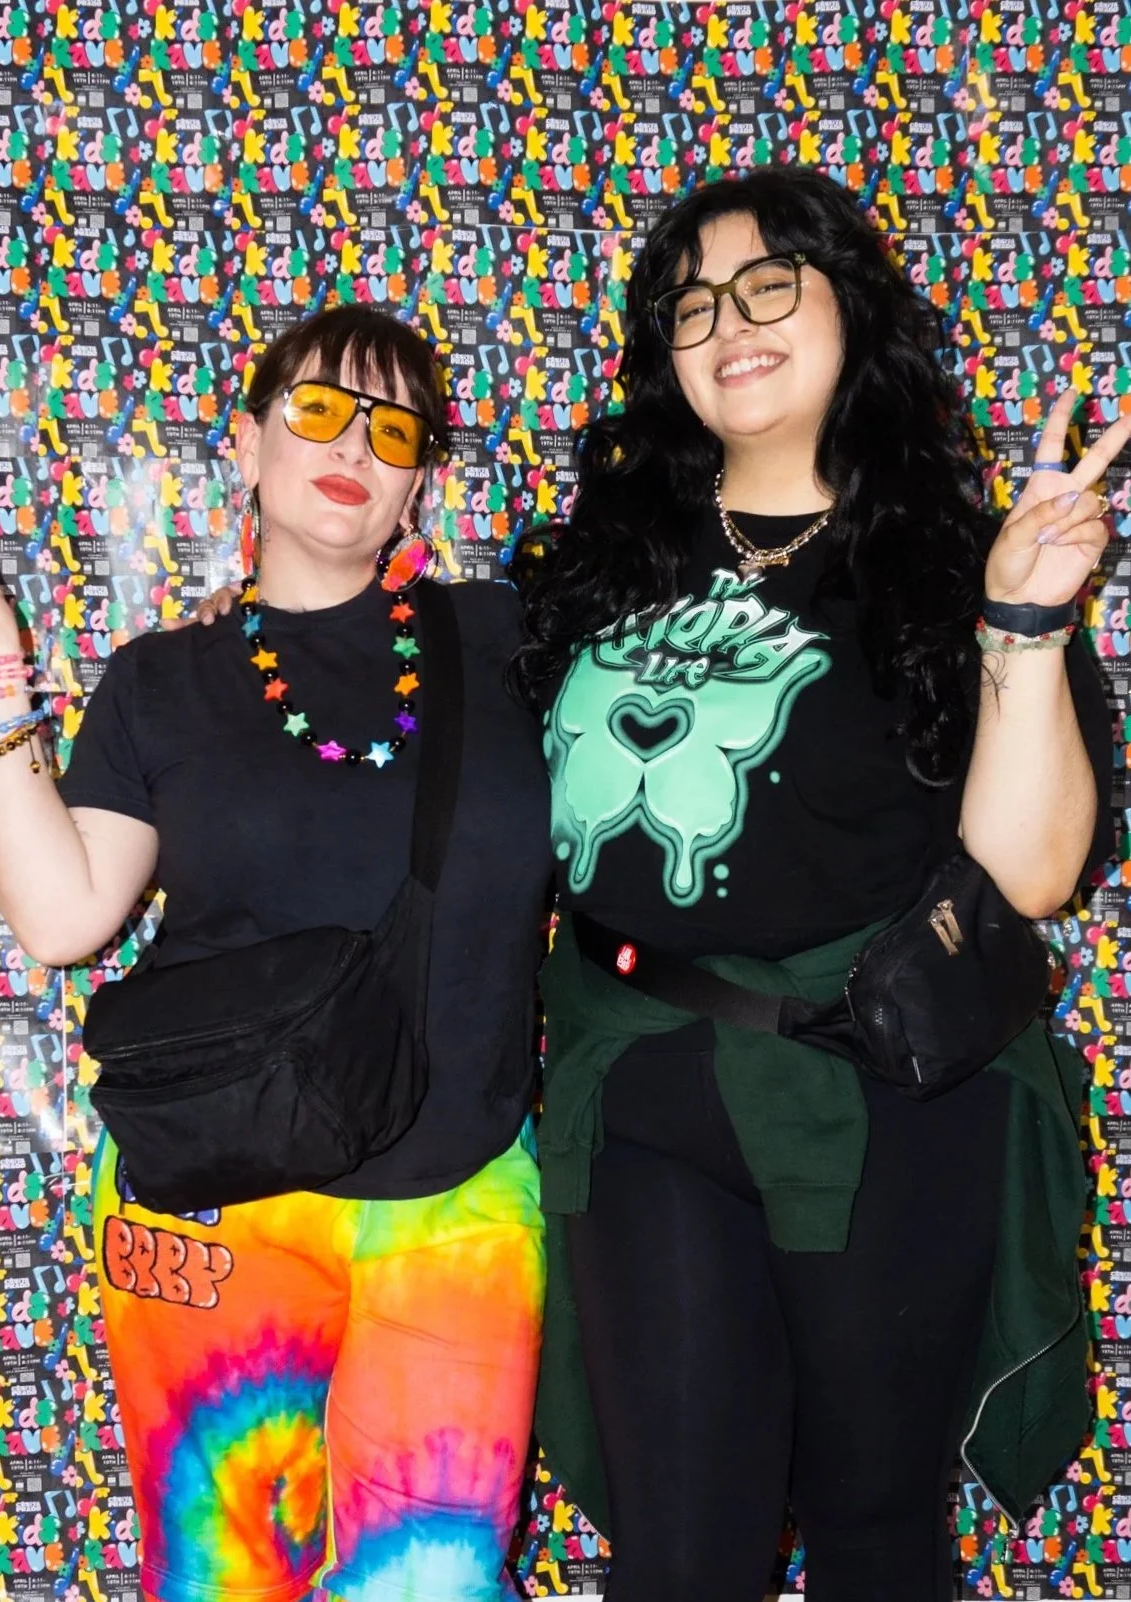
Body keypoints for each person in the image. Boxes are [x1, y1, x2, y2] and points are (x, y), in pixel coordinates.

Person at [510, 168, 1129, 1602]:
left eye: (771, 282)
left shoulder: (943, 562)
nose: (731, 320)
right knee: (678, 1554)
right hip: (637, 1086)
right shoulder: (596, 570)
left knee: (872, 1534)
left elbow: (1033, 869)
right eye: (694, 302)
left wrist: (1024, 623)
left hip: (881, 1093)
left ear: (853, 307)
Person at [0, 305, 553, 1602]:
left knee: (437, 1580)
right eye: (317, 409)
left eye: (392, 425)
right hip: (216, 1202)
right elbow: (67, 914)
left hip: (456, 1203)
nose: (353, 441)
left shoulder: (502, 640)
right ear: (246, 443)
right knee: (223, 1578)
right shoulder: (160, 680)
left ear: (422, 479)